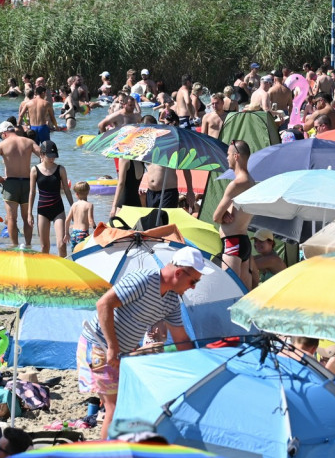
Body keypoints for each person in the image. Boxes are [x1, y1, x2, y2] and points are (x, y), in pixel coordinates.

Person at [77, 247, 207, 439]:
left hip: (120, 354)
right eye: (193, 281)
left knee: (124, 406)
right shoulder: (144, 279)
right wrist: (113, 346)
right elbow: (103, 304)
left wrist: (198, 368)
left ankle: (113, 452)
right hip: (99, 346)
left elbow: (181, 339)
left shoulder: (171, 300)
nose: (193, 287)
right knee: (115, 409)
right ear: (179, 273)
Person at [0, 121, 41, 247]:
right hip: (28, 182)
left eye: (0, 135)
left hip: (11, 183)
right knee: (27, 217)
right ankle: (28, 245)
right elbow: (43, 155)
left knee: (11, 218)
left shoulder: (2, 144)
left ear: (4, 133)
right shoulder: (29, 142)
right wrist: (38, 172)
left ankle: (14, 246)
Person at [212, 140, 256, 290]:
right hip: (244, 242)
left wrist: (222, 217)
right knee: (244, 296)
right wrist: (225, 215)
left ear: (236, 156)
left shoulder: (236, 184)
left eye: (228, 155)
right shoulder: (252, 182)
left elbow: (216, 217)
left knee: (229, 291)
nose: (227, 158)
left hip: (232, 242)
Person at [29, 140, 73, 256]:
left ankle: (63, 271)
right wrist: (29, 213)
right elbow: (32, 192)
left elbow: (67, 191)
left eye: (54, 156)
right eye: (49, 156)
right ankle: (45, 272)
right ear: (42, 155)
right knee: (44, 246)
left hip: (58, 209)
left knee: (62, 244)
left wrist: (73, 208)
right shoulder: (34, 170)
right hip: (42, 211)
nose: (52, 159)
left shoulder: (61, 169)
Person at [66, 180, 95, 253]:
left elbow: (67, 220)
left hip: (73, 233)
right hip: (83, 233)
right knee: (82, 253)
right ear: (88, 192)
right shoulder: (89, 205)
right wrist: (96, 230)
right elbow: (90, 221)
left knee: (74, 253)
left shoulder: (74, 205)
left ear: (76, 194)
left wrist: (66, 233)